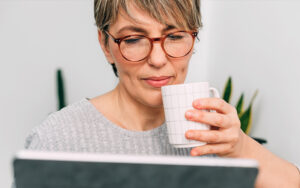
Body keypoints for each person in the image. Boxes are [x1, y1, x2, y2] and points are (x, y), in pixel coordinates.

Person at [25, 0, 300, 187]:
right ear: (105, 44)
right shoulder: (56, 138)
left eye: (175, 36)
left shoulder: (214, 134)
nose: (158, 59)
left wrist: (240, 146)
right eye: (133, 39)